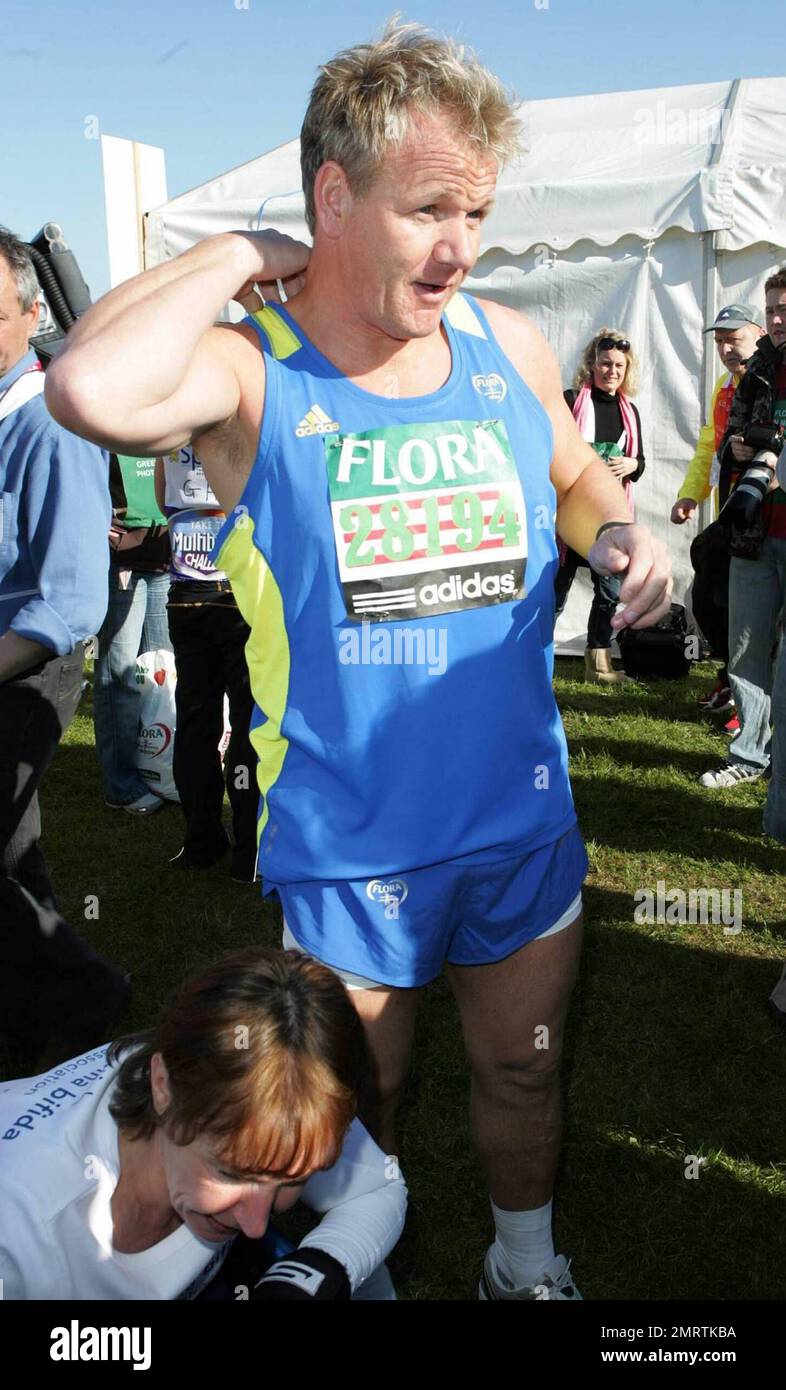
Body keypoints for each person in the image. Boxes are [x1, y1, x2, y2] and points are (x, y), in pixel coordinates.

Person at [46, 21, 672, 1301]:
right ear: (333, 196)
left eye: (478, 210)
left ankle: (525, 1265)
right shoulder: (250, 368)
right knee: (353, 1108)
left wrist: (618, 529)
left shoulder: (506, 346)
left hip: (520, 820)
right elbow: (88, 389)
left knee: (524, 1068)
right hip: (353, 850)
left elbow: (569, 467)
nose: (460, 245)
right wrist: (234, 252)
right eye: (428, 207)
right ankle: (341, 1283)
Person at [0, 947, 406, 1300]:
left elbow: (378, 1188)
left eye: (291, 1179)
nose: (255, 1223)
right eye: (231, 1172)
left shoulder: (264, 1085)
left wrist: (321, 1268)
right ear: (162, 1087)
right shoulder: (20, 1236)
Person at [0, 227, 129, 1068]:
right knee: (13, 860)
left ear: (30, 310)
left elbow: (73, 599)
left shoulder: (49, 422)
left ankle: (88, 1001)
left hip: (26, 672)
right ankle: (38, 1029)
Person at [699, 268, 786, 799]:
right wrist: (739, 447)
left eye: (785, 310)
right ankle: (750, 754)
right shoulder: (756, 372)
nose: (777, 319)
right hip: (753, 532)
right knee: (746, 647)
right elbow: (731, 436)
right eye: (772, 309)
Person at [154, 444, 258, 879]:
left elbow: (163, 502)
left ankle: (202, 840)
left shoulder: (170, 433)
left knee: (197, 721)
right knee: (247, 723)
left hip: (187, 596)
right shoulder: (239, 428)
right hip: (237, 595)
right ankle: (247, 850)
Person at [671, 304, 765, 724]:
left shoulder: (769, 381)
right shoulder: (725, 387)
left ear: (759, 333)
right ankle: (732, 676)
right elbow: (710, 443)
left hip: (769, 515)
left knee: (752, 606)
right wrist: (691, 494)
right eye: (720, 341)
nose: (727, 348)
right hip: (733, 511)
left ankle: (752, 703)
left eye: (735, 338)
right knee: (708, 590)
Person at [555, 329, 645, 683]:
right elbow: (553, 451)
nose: (612, 371)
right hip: (569, 516)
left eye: (619, 365)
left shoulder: (630, 412)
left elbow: (641, 462)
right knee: (554, 593)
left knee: (608, 593)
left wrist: (632, 465)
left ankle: (599, 665)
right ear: (592, 364)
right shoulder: (571, 399)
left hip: (608, 521)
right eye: (605, 363)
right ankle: (532, 659)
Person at [93, 451, 172, 814]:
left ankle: (161, 769)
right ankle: (121, 784)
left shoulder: (170, 413)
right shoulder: (103, 420)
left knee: (163, 671)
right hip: (121, 561)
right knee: (119, 675)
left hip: (168, 556)